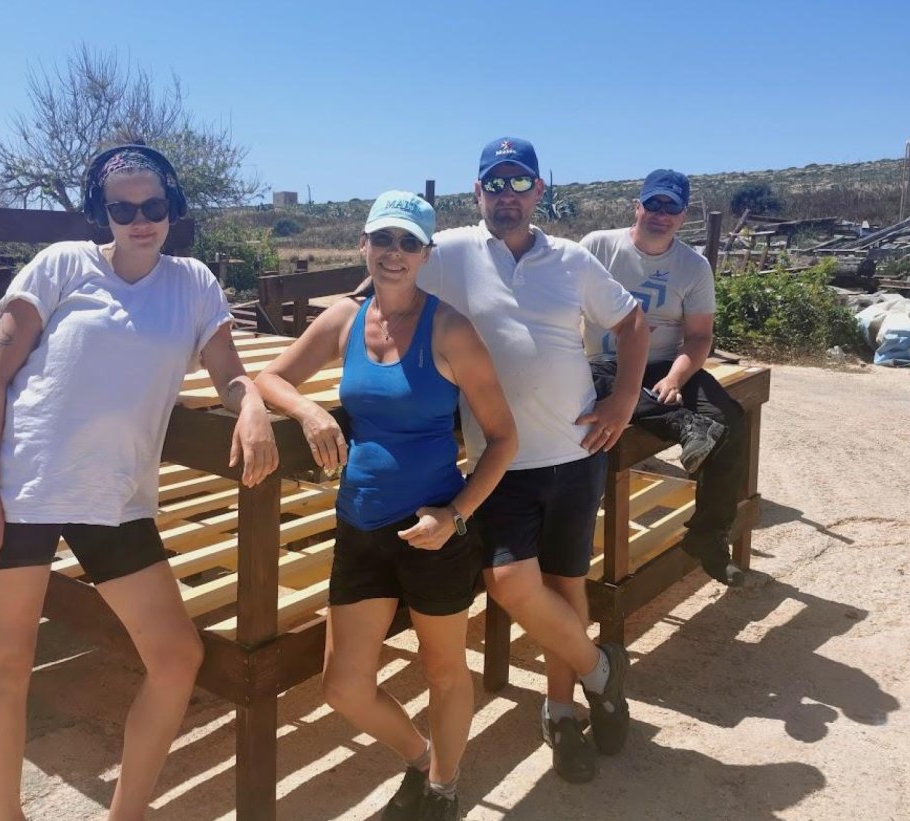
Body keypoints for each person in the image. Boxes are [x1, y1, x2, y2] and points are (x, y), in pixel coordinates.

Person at [0, 144, 278, 821]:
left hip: (117, 498)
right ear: (100, 213)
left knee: (176, 657)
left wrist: (250, 405)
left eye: (153, 206)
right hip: (22, 488)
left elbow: (229, 371)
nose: (139, 220)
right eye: (122, 209)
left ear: (173, 208)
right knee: (7, 663)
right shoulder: (63, 265)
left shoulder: (193, 283)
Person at [256, 191, 516, 821]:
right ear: (363, 245)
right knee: (343, 686)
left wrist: (455, 515)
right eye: (383, 240)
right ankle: (422, 758)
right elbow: (269, 377)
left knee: (444, 672)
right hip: (361, 524)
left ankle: (444, 787)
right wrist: (310, 411)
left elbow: (504, 438)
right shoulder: (345, 320)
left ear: (426, 254)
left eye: (408, 243)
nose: (394, 253)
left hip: (433, 530)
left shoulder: (450, 329)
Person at [416, 138, 650, 784]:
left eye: (520, 183)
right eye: (495, 184)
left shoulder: (571, 259)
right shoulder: (450, 253)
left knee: (566, 585)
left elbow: (631, 324)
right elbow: (385, 291)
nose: (507, 196)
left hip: (576, 453)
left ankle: (562, 714)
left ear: (539, 191)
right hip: (501, 461)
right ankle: (601, 669)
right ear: (477, 192)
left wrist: (624, 399)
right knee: (509, 581)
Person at [580, 169, 748, 587]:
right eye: (653, 204)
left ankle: (709, 537)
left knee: (730, 422)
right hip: (604, 362)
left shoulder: (693, 266)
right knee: (603, 385)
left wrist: (675, 378)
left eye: (670, 207)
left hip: (663, 364)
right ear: (637, 206)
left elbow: (699, 337)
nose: (660, 214)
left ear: (682, 215)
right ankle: (685, 425)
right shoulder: (597, 246)